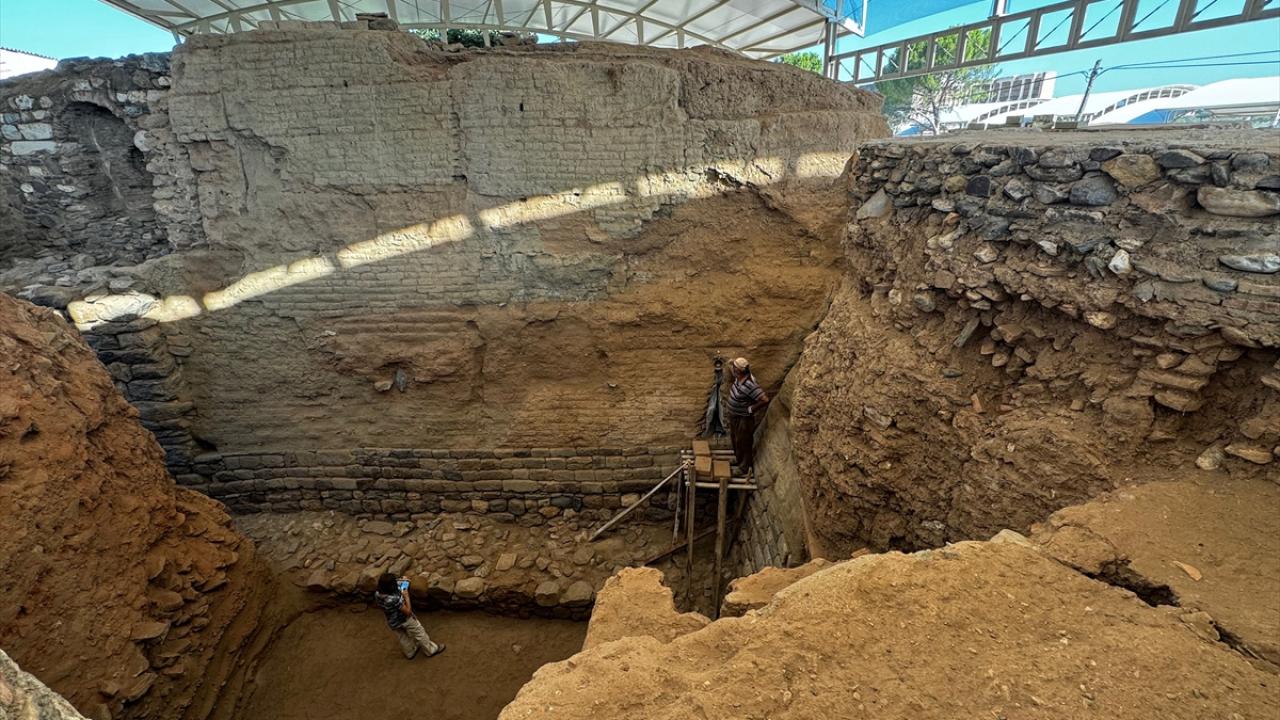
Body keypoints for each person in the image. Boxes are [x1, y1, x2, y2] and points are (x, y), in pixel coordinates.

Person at [374, 573, 445, 660]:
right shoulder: (393, 599)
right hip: (404, 619)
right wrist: (406, 596)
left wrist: (404, 582)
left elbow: (404, 581)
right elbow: (408, 611)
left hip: (392, 621)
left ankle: (410, 652)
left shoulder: (377, 594)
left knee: (403, 637)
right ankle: (431, 650)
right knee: (419, 633)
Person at [726, 357, 769, 474]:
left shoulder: (750, 384)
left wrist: (751, 409)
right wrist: (730, 362)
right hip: (735, 416)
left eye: (734, 367)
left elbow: (765, 399)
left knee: (744, 442)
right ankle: (738, 459)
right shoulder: (738, 377)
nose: (733, 369)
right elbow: (731, 367)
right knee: (735, 439)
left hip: (744, 419)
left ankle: (744, 467)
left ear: (738, 370)